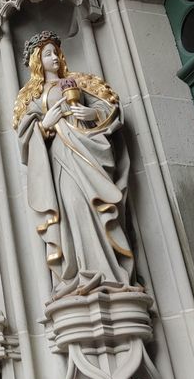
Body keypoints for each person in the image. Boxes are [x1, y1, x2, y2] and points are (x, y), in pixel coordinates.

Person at [13, 30, 138, 299]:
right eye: (47, 54)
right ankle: (81, 271)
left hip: (88, 151)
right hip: (60, 157)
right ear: (37, 60)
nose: (54, 58)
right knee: (72, 207)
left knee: (96, 206)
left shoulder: (76, 83)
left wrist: (92, 113)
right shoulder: (34, 97)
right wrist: (44, 126)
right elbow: (24, 137)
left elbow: (110, 110)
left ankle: (109, 273)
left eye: (56, 52)